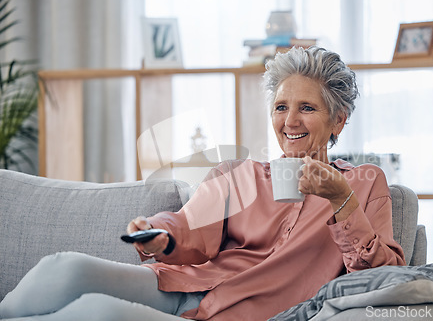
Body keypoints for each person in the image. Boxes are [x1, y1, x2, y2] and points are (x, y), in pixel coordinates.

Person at [0, 47, 405, 321]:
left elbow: (386, 275)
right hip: (185, 287)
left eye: (307, 108)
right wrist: (160, 237)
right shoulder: (241, 173)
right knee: (65, 268)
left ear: (338, 121)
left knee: (93, 311)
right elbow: (190, 226)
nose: (290, 120)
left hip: (236, 313)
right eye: (281, 107)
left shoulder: (362, 184)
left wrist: (340, 201)